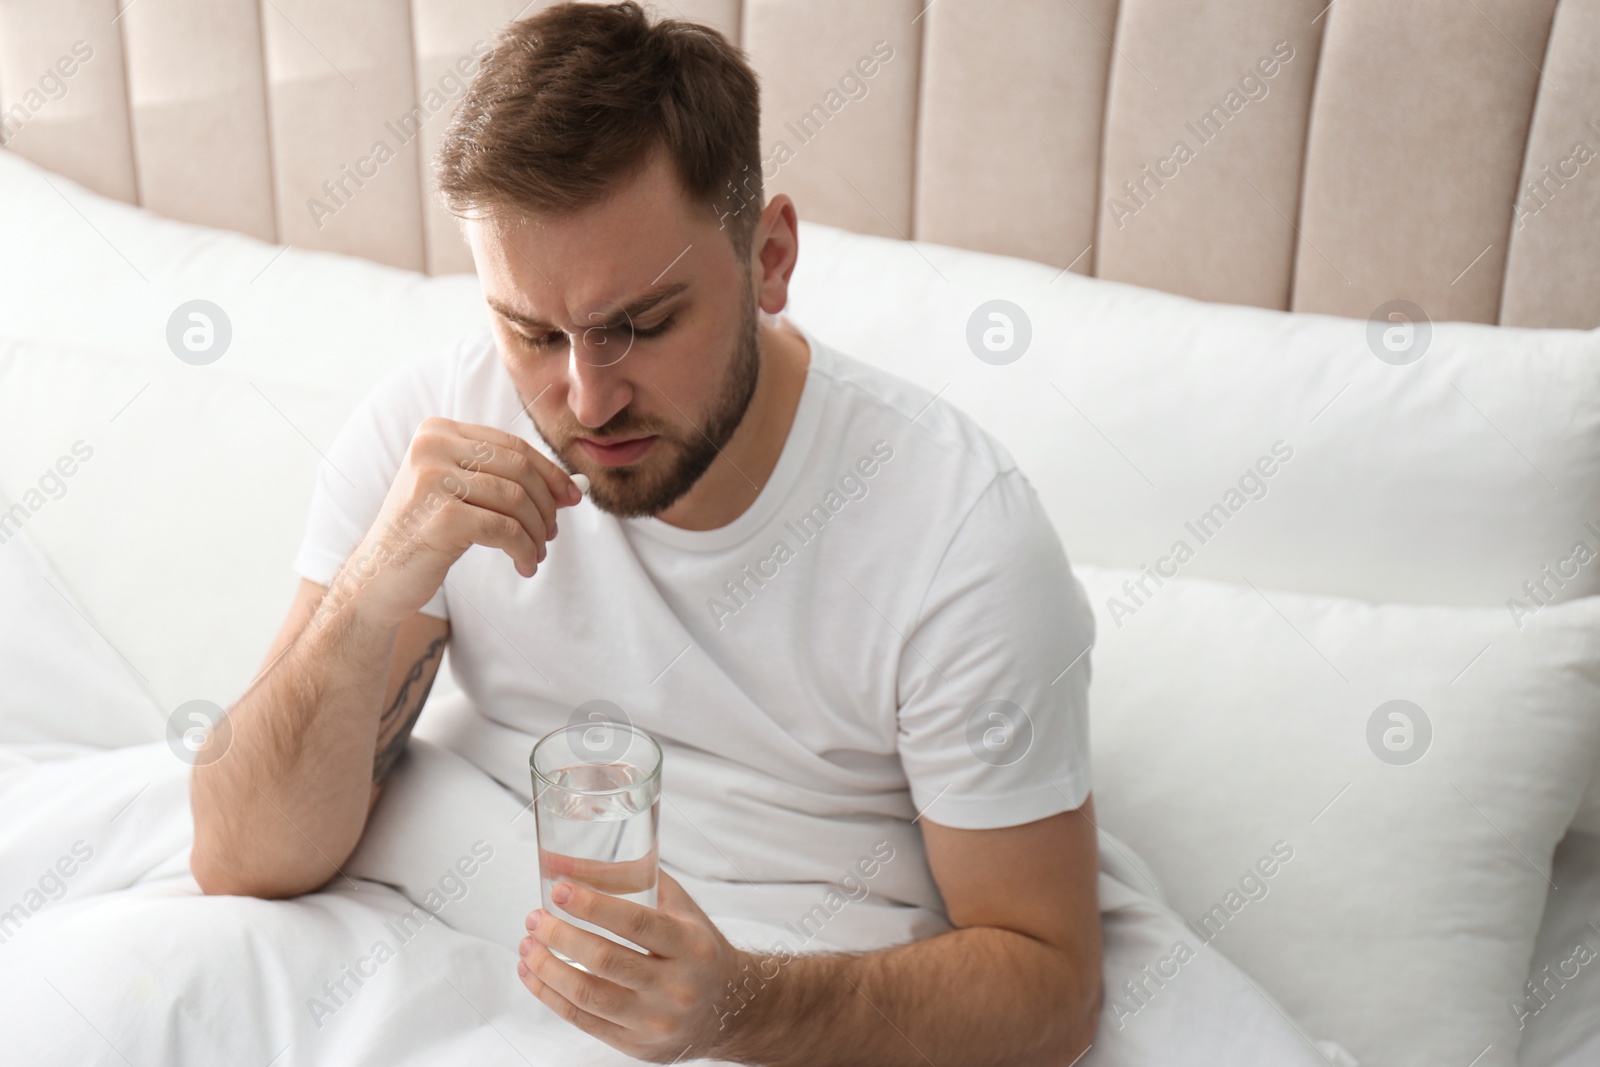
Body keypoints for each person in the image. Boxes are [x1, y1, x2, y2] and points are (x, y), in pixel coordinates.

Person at [189, 3, 1102, 1063]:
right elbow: (235, 854)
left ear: (768, 258)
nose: (584, 396)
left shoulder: (956, 538)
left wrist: (744, 1005)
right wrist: (370, 587)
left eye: (642, 324)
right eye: (532, 331)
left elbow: (1050, 982)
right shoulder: (429, 436)